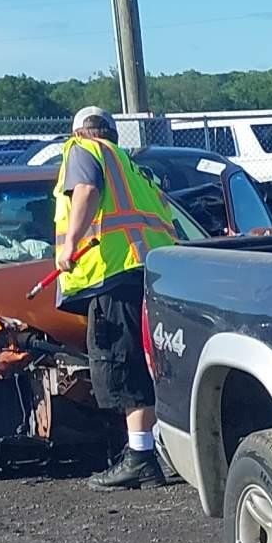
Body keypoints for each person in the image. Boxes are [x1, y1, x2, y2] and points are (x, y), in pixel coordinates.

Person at [51, 106, 179, 490]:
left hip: (113, 271)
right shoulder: (133, 166)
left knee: (120, 364)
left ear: (78, 132)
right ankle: (150, 451)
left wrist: (70, 243)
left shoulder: (82, 150)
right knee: (148, 361)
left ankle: (140, 458)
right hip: (151, 271)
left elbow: (87, 190)